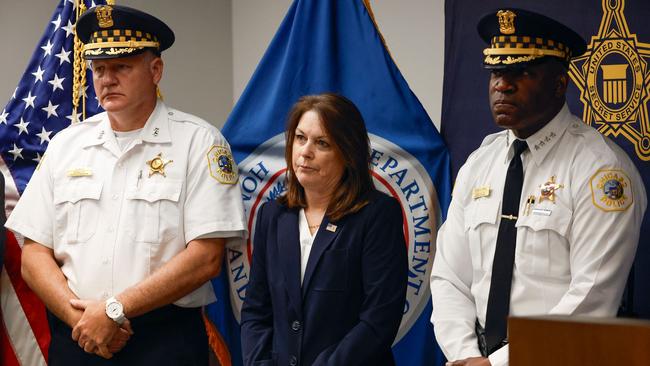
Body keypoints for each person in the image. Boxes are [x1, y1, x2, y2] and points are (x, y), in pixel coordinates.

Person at [5, 4, 246, 364]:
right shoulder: (67, 145)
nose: (107, 79)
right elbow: (34, 254)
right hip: (78, 337)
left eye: (121, 66)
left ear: (156, 70)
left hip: (163, 341)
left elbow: (205, 258)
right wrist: (84, 322)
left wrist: (115, 310)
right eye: (99, 68)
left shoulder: (200, 143)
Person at [430, 8, 647, 366]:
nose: (503, 84)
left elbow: (592, 300)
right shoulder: (479, 164)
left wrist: (497, 364)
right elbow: (449, 276)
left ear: (559, 84)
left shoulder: (601, 172)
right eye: (497, 72)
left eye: (521, 72)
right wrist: (466, 355)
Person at [240, 93, 408, 366]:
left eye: (322, 143)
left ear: (348, 154)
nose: (305, 151)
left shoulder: (377, 214)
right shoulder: (273, 216)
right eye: (300, 138)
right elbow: (255, 312)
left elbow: (379, 319)